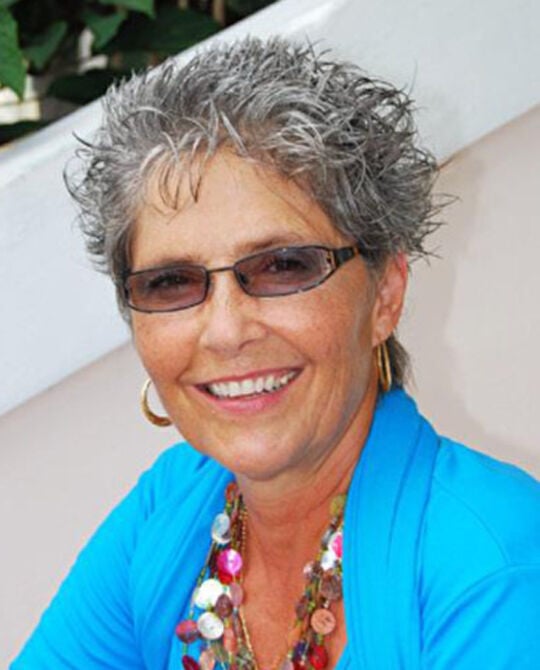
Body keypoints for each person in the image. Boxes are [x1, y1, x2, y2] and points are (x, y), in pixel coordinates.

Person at [12, 37, 540, 670]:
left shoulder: (497, 567)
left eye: (283, 266)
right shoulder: (172, 505)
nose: (225, 331)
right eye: (171, 282)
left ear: (385, 294)